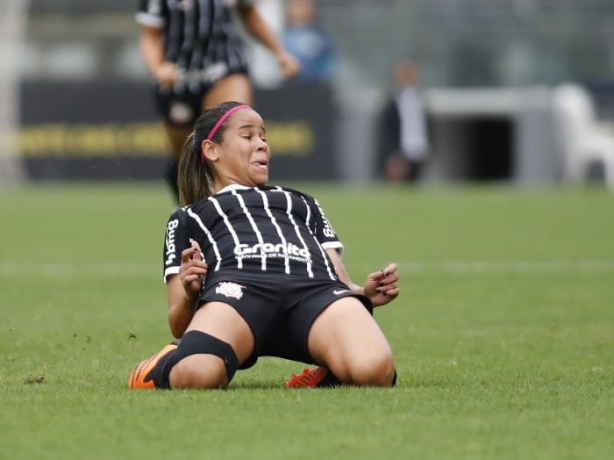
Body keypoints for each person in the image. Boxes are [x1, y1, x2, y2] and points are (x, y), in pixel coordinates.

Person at [128, 101, 400, 390]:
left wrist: (364, 293)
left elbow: (339, 278)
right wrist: (189, 294)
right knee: (197, 375)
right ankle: (164, 364)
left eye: (264, 137)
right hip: (235, 295)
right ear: (211, 150)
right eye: (248, 137)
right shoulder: (189, 216)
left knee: (376, 372)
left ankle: (331, 368)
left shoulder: (302, 202)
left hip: (313, 293)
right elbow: (178, 323)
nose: (262, 145)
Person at [136, 0, 301, 203]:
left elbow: (249, 13)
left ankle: (242, 209)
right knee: (187, 155)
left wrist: (280, 53)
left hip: (225, 67)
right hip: (178, 78)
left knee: (234, 130)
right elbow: (150, 35)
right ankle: (191, 211)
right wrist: (158, 68)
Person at [378, 60, 429, 182]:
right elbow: (386, 130)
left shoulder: (419, 99)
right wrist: (391, 153)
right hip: (399, 151)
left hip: (418, 149)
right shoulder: (392, 100)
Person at [282, 0, 336, 84]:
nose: (301, 9)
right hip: (287, 87)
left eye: (304, 5)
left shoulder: (321, 35)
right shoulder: (281, 35)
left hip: (315, 88)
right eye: (297, 5)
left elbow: (329, 64)